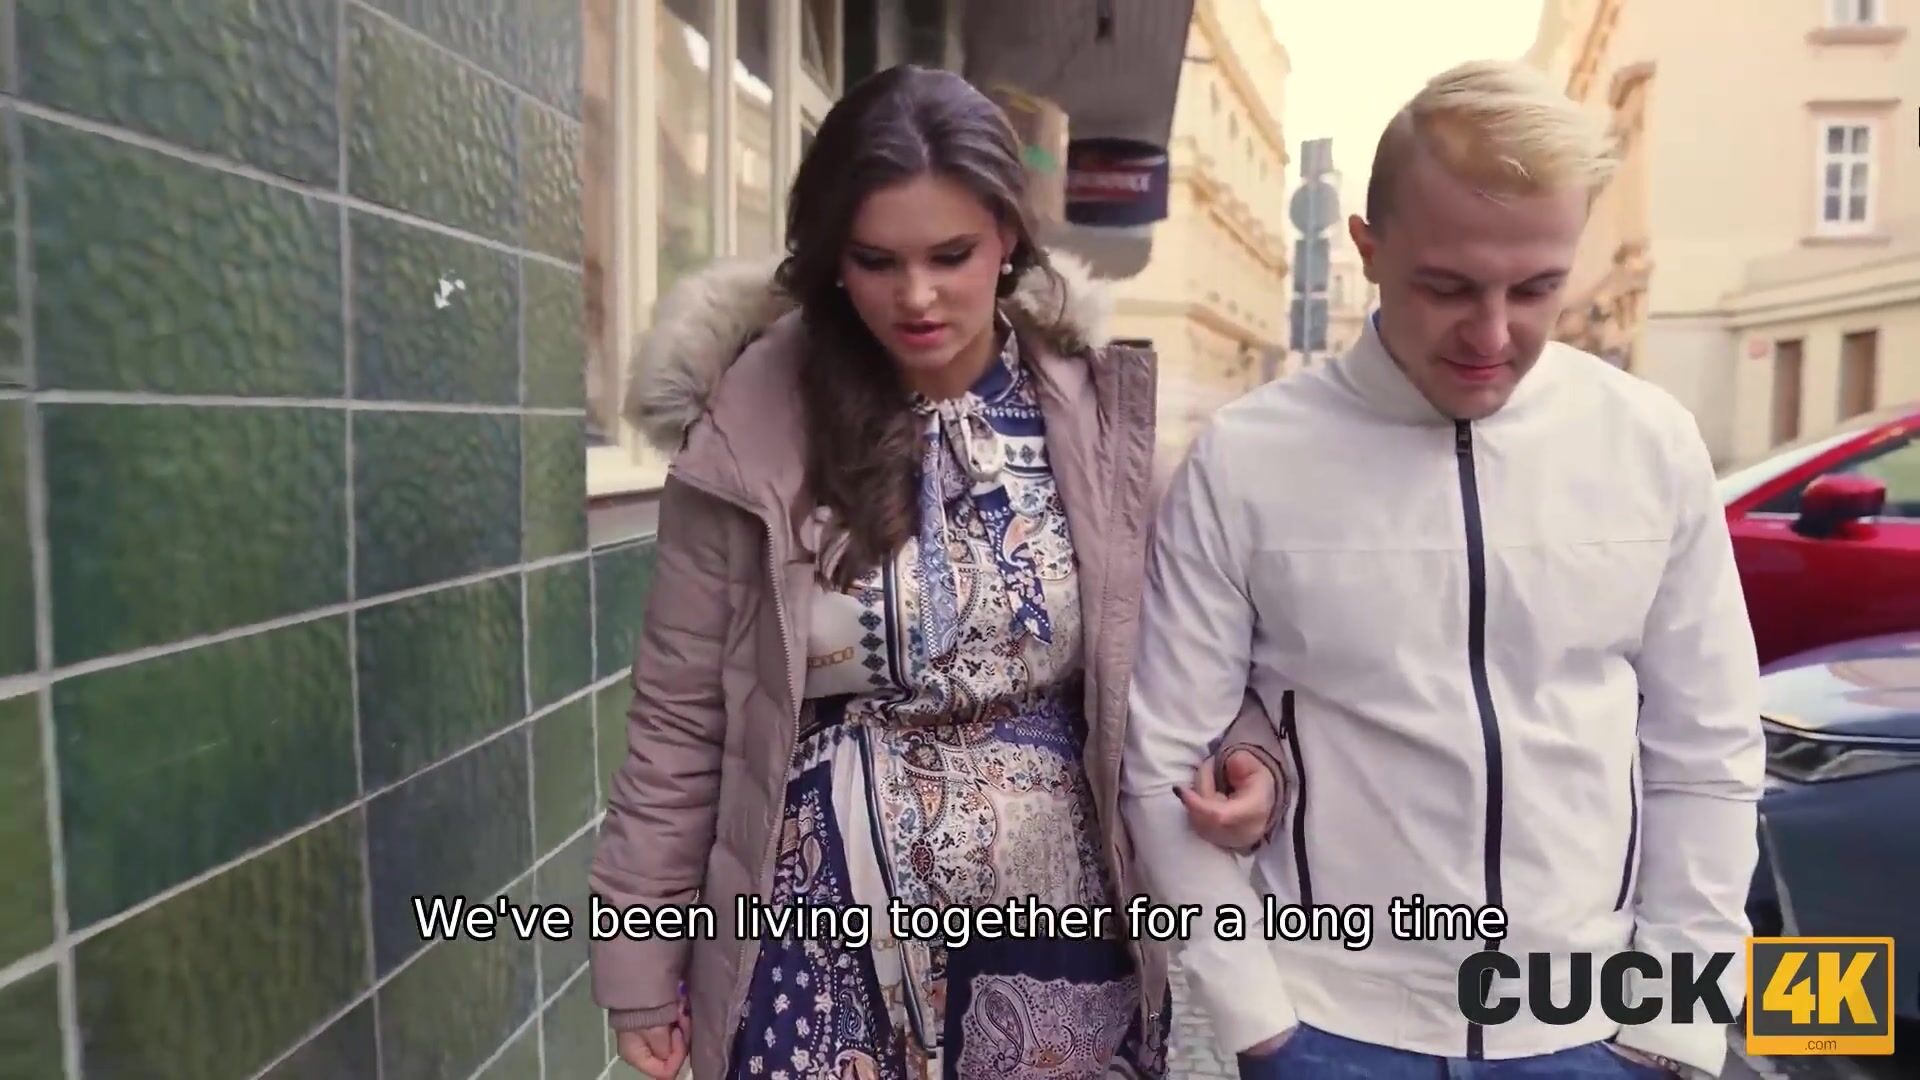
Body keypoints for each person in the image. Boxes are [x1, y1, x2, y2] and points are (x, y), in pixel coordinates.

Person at [588, 64, 1266, 1080]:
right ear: (831, 257)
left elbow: (1193, 645)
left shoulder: (1098, 424)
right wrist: (640, 961)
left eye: (951, 256)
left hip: (1058, 934)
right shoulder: (746, 430)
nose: (916, 296)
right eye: (876, 260)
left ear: (1008, 239)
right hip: (813, 953)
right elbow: (679, 721)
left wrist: (1250, 756)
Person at [1123, 59, 1765, 1080]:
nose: (1493, 333)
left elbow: (1708, 744)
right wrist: (1258, 1019)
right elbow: (1164, 754)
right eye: (1449, 286)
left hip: (1594, 1026)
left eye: (1537, 287)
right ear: (1368, 249)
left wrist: (1676, 1025)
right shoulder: (1246, 459)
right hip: (1333, 1031)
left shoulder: (1650, 442)